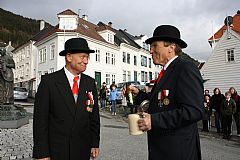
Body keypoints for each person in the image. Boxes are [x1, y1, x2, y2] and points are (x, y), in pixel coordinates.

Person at [129, 25, 204, 160]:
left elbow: (194, 110)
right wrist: (138, 94)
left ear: (171, 47)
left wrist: (154, 120)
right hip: (163, 150)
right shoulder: (166, 72)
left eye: (155, 46)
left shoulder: (185, 68)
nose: (150, 51)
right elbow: (159, 102)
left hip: (178, 152)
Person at [33, 38, 100, 160]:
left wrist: (94, 143)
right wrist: (42, 153)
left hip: (82, 150)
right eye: (82, 57)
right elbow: (40, 121)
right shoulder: (49, 82)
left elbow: (94, 116)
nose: (86, 61)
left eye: (87, 57)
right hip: (57, 151)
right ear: (69, 57)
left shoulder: (90, 83)